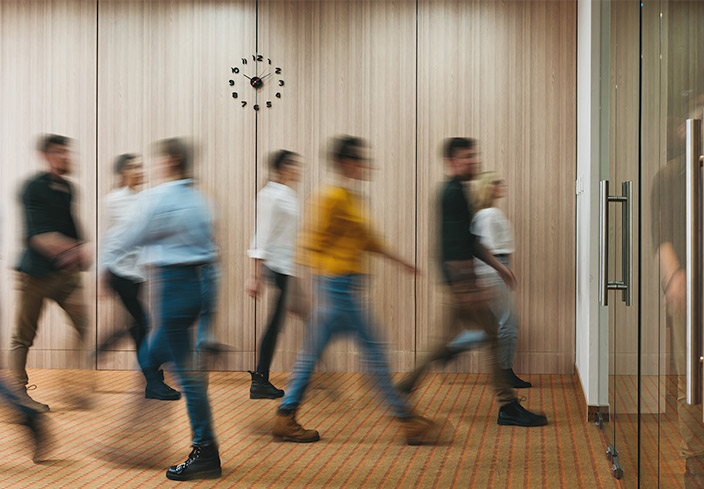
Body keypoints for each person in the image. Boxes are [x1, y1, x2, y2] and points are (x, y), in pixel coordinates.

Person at [272, 136, 438, 445]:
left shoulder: (352, 197)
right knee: (374, 350)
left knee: (311, 355)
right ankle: (407, 420)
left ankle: (285, 415)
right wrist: (304, 289)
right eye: (361, 159)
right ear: (346, 162)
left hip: (342, 288)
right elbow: (308, 243)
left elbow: (367, 239)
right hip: (336, 289)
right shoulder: (329, 197)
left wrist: (400, 261)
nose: (366, 165)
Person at [397, 137, 546, 427]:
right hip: (460, 283)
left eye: (473, 156)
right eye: (467, 157)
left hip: (461, 283)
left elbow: (471, 242)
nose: (473, 161)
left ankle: (407, 384)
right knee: (489, 333)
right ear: (452, 161)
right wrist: (468, 288)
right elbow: (452, 247)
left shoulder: (460, 193)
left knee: (453, 339)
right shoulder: (451, 193)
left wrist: (499, 268)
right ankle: (507, 405)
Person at [102, 138, 221, 481]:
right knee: (150, 360)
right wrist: (209, 318)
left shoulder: (161, 197)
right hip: (198, 285)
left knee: (188, 376)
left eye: (155, 161)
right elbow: (213, 252)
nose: (150, 167)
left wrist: (103, 268)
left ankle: (205, 450)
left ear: (170, 160)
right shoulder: (200, 198)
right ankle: (138, 439)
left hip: (173, 292)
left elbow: (129, 236)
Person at [10, 134, 91, 412]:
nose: (66, 157)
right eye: (60, 153)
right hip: (34, 275)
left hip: (64, 276)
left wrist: (79, 262)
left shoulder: (68, 189)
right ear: (46, 156)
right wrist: (75, 249)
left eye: (68, 153)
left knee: (82, 324)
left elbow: (72, 231)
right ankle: (19, 395)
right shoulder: (32, 188)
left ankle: (71, 384)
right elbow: (38, 237)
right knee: (23, 336)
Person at [98, 154, 179, 400]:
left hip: (139, 273)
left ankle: (108, 346)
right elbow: (111, 239)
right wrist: (102, 274)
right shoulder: (114, 200)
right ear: (122, 173)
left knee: (138, 325)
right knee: (142, 324)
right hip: (119, 272)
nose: (139, 170)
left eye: (140, 166)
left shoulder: (144, 199)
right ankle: (154, 382)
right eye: (133, 167)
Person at [246, 150, 302, 399]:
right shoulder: (270, 195)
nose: (297, 168)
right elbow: (262, 235)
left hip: (288, 267)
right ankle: (260, 379)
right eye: (292, 164)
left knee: (279, 322)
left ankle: (262, 378)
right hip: (278, 267)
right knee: (277, 323)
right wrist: (254, 276)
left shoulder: (288, 194)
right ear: (280, 168)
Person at [470, 172, 531, 388]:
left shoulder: (487, 213)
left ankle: (453, 346)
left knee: (497, 324)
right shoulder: (488, 214)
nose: (500, 184)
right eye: (495, 182)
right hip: (495, 269)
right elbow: (485, 248)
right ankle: (505, 373)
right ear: (488, 188)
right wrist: (503, 270)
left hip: (496, 268)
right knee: (508, 323)